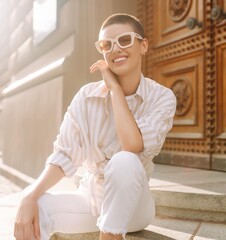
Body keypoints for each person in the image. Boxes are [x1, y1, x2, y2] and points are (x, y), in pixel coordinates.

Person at [14, 13, 176, 240]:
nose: (116, 49)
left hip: (134, 208)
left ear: (143, 45)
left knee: (125, 160)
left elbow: (132, 145)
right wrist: (29, 196)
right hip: (92, 200)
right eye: (107, 44)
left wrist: (115, 91)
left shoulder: (162, 97)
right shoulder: (86, 96)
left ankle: (109, 236)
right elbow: (64, 155)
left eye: (125, 40)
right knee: (35, 206)